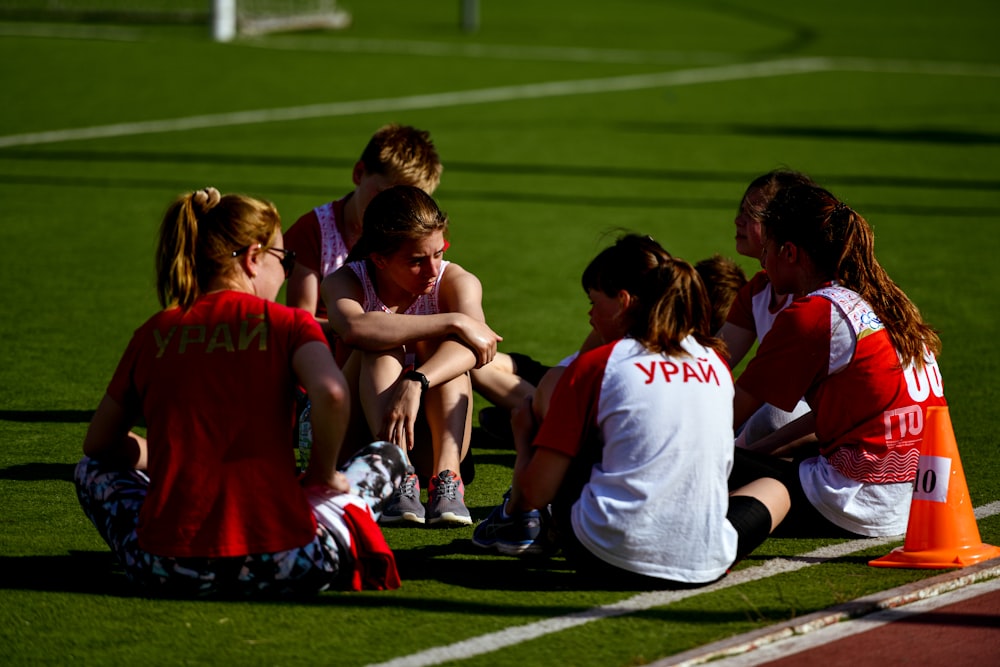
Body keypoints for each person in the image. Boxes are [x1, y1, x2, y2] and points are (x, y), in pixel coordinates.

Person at [74, 187, 408, 597]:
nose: (286, 274)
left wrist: (162, 454)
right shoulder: (287, 324)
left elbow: (99, 446)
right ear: (253, 258)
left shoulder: (154, 331)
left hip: (164, 569)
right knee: (388, 457)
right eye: (284, 261)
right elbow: (333, 394)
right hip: (286, 561)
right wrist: (322, 474)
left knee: (90, 471)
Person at [473, 234, 789, 589]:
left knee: (556, 409)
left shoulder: (597, 365)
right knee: (776, 490)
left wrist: (524, 438)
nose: (590, 314)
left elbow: (537, 491)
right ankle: (690, 541)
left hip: (604, 554)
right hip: (705, 562)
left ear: (623, 301)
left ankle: (521, 522)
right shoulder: (714, 360)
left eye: (594, 302)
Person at [729, 184, 946, 538]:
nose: (764, 264)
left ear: (789, 252)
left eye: (766, 250)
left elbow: (730, 412)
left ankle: (705, 543)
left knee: (704, 472)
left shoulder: (815, 313)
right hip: (917, 495)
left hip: (855, 497)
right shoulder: (883, 300)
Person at [322, 185, 501, 526]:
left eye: (439, 253)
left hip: (435, 438)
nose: (433, 270)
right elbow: (355, 329)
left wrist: (417, 382)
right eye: (417, 261)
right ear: (379, 260)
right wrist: (454, 320)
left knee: (447, 348)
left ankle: (447, 482)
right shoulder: (346, 281)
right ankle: (398, 474)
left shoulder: (456, 280)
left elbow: (478, 347)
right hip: (362, 442)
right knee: (381, 341)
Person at [284, 123, 443, 359]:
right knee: (377, 352)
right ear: (359, 173)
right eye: (383, 194)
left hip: (406, 357)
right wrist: (371, 328)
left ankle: (514, 370)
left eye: (408, 206)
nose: (391, 211)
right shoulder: (314, 230)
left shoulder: (421, 239)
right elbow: (301, 321)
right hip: (334, 363)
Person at [717, 170, 816, 447]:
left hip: (832, 432)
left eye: (752, 214)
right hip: (785, 419)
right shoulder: (759, 289)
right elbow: (714, 359)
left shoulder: (814, 299)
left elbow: (760, 388)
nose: (738, 220)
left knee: (775, 416)